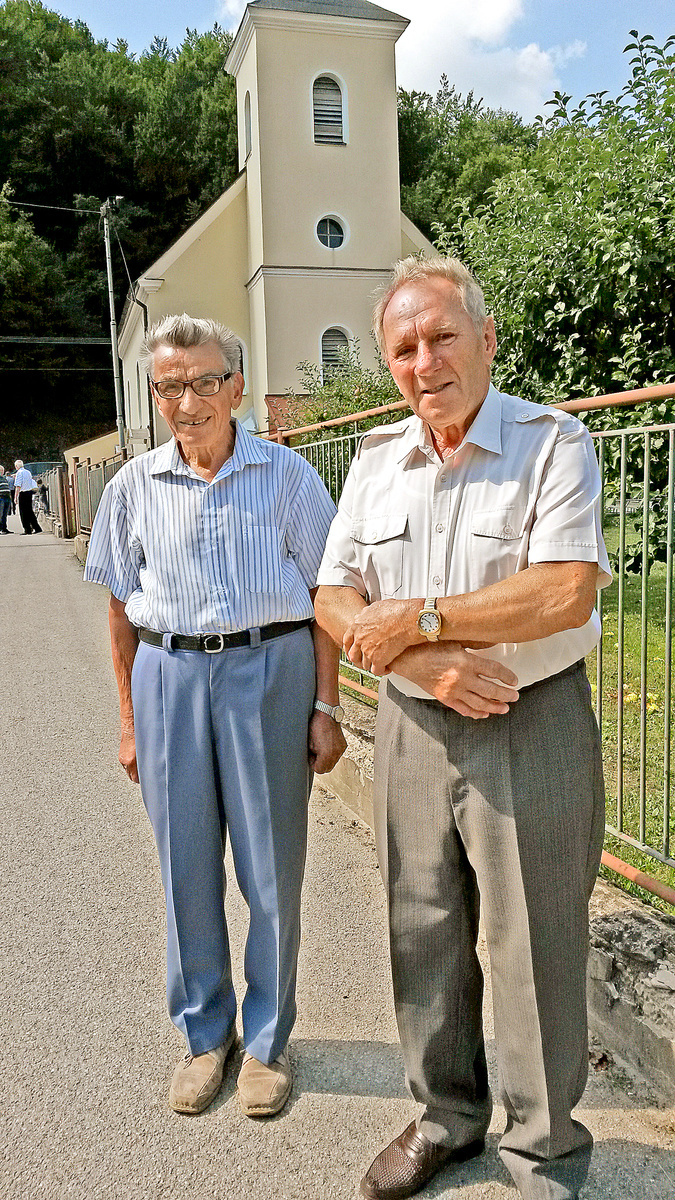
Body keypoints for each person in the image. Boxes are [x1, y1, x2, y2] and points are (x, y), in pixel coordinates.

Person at [315, 256, 611, 1200]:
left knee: (533, 943)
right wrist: (417, 662)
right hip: (410, 722)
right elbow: (333, 594)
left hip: (529, 719)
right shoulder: (373, 463)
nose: (423, 359)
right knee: (421, 925)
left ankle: (542, 1149)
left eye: (442, 336)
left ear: (486, 340)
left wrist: (423, 618)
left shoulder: (551, 442)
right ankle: (446, 1117)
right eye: (402, 346)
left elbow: (564, 589)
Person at [84, 314, 346, 1119]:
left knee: (269, 868)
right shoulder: (131, 486)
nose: (187, 400)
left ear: (235, 385)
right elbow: (121, 610)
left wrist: (325, 704)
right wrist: (129, 719)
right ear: (154, 394)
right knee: (184, 868)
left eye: (204, 381)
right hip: (168, 675)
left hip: (269, 669)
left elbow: (326, 598)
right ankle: (206, 1037)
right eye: (170, 385)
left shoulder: (288, 475)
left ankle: (266, 1043)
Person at [13, 459, 41, 534]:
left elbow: (18, 486)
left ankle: (27, 529)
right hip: (29, 492)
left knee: (23, 512)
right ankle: (36, 527)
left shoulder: (19, 473)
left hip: (23, 493)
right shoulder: (28, 472)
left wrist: (15, 497)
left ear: (16, 466)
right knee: (29, 511)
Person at [0, 466, 12, 533]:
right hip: (1, 497)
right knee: (0, 514)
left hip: (7, 497)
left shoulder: (4, 478)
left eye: (2, 470)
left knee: (5, 514)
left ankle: (4, 528)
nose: (2, 472)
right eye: (0, 470)